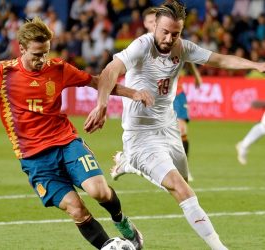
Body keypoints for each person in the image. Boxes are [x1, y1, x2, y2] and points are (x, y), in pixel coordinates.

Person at [0, 17, 155, 250]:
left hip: (65, 143)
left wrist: (132, 93)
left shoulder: (58, 69)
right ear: (21, 49)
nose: (43, 60)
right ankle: (108, 247)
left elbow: (96, 81)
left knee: (98, 191)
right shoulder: (2, 74)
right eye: (36, 54)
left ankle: (121, 221)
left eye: (46, 53)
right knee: (76, 208)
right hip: (34, 159)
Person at [84, 0, 265, 248]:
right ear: (155, 26)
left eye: (175, 33)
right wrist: (102, 103)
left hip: (168, 128)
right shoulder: (142, 46)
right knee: (182, 189)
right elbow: (110, 71)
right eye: (164, 32)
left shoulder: (182, 47)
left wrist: (255, 65)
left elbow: (220, 60)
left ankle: (129, 163)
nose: (169, 39)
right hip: (141, 135)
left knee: (182, 184)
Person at [110, 6, 202, 182]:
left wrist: (196, 76)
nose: (155, 24)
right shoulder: (141, 45)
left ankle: (181, 169)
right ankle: (133, 162)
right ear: (146, 24)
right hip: (150, 99)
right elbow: (121, 64)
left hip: (174, 94)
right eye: (151, 22)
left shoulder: (172, 40)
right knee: (154, 144)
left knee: (182, 130)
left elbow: (188, 58)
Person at [236, 100, 265, 165]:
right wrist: (262, 103)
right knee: (245, 144)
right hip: (262, 127)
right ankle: (242, 149)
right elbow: (254, 104)